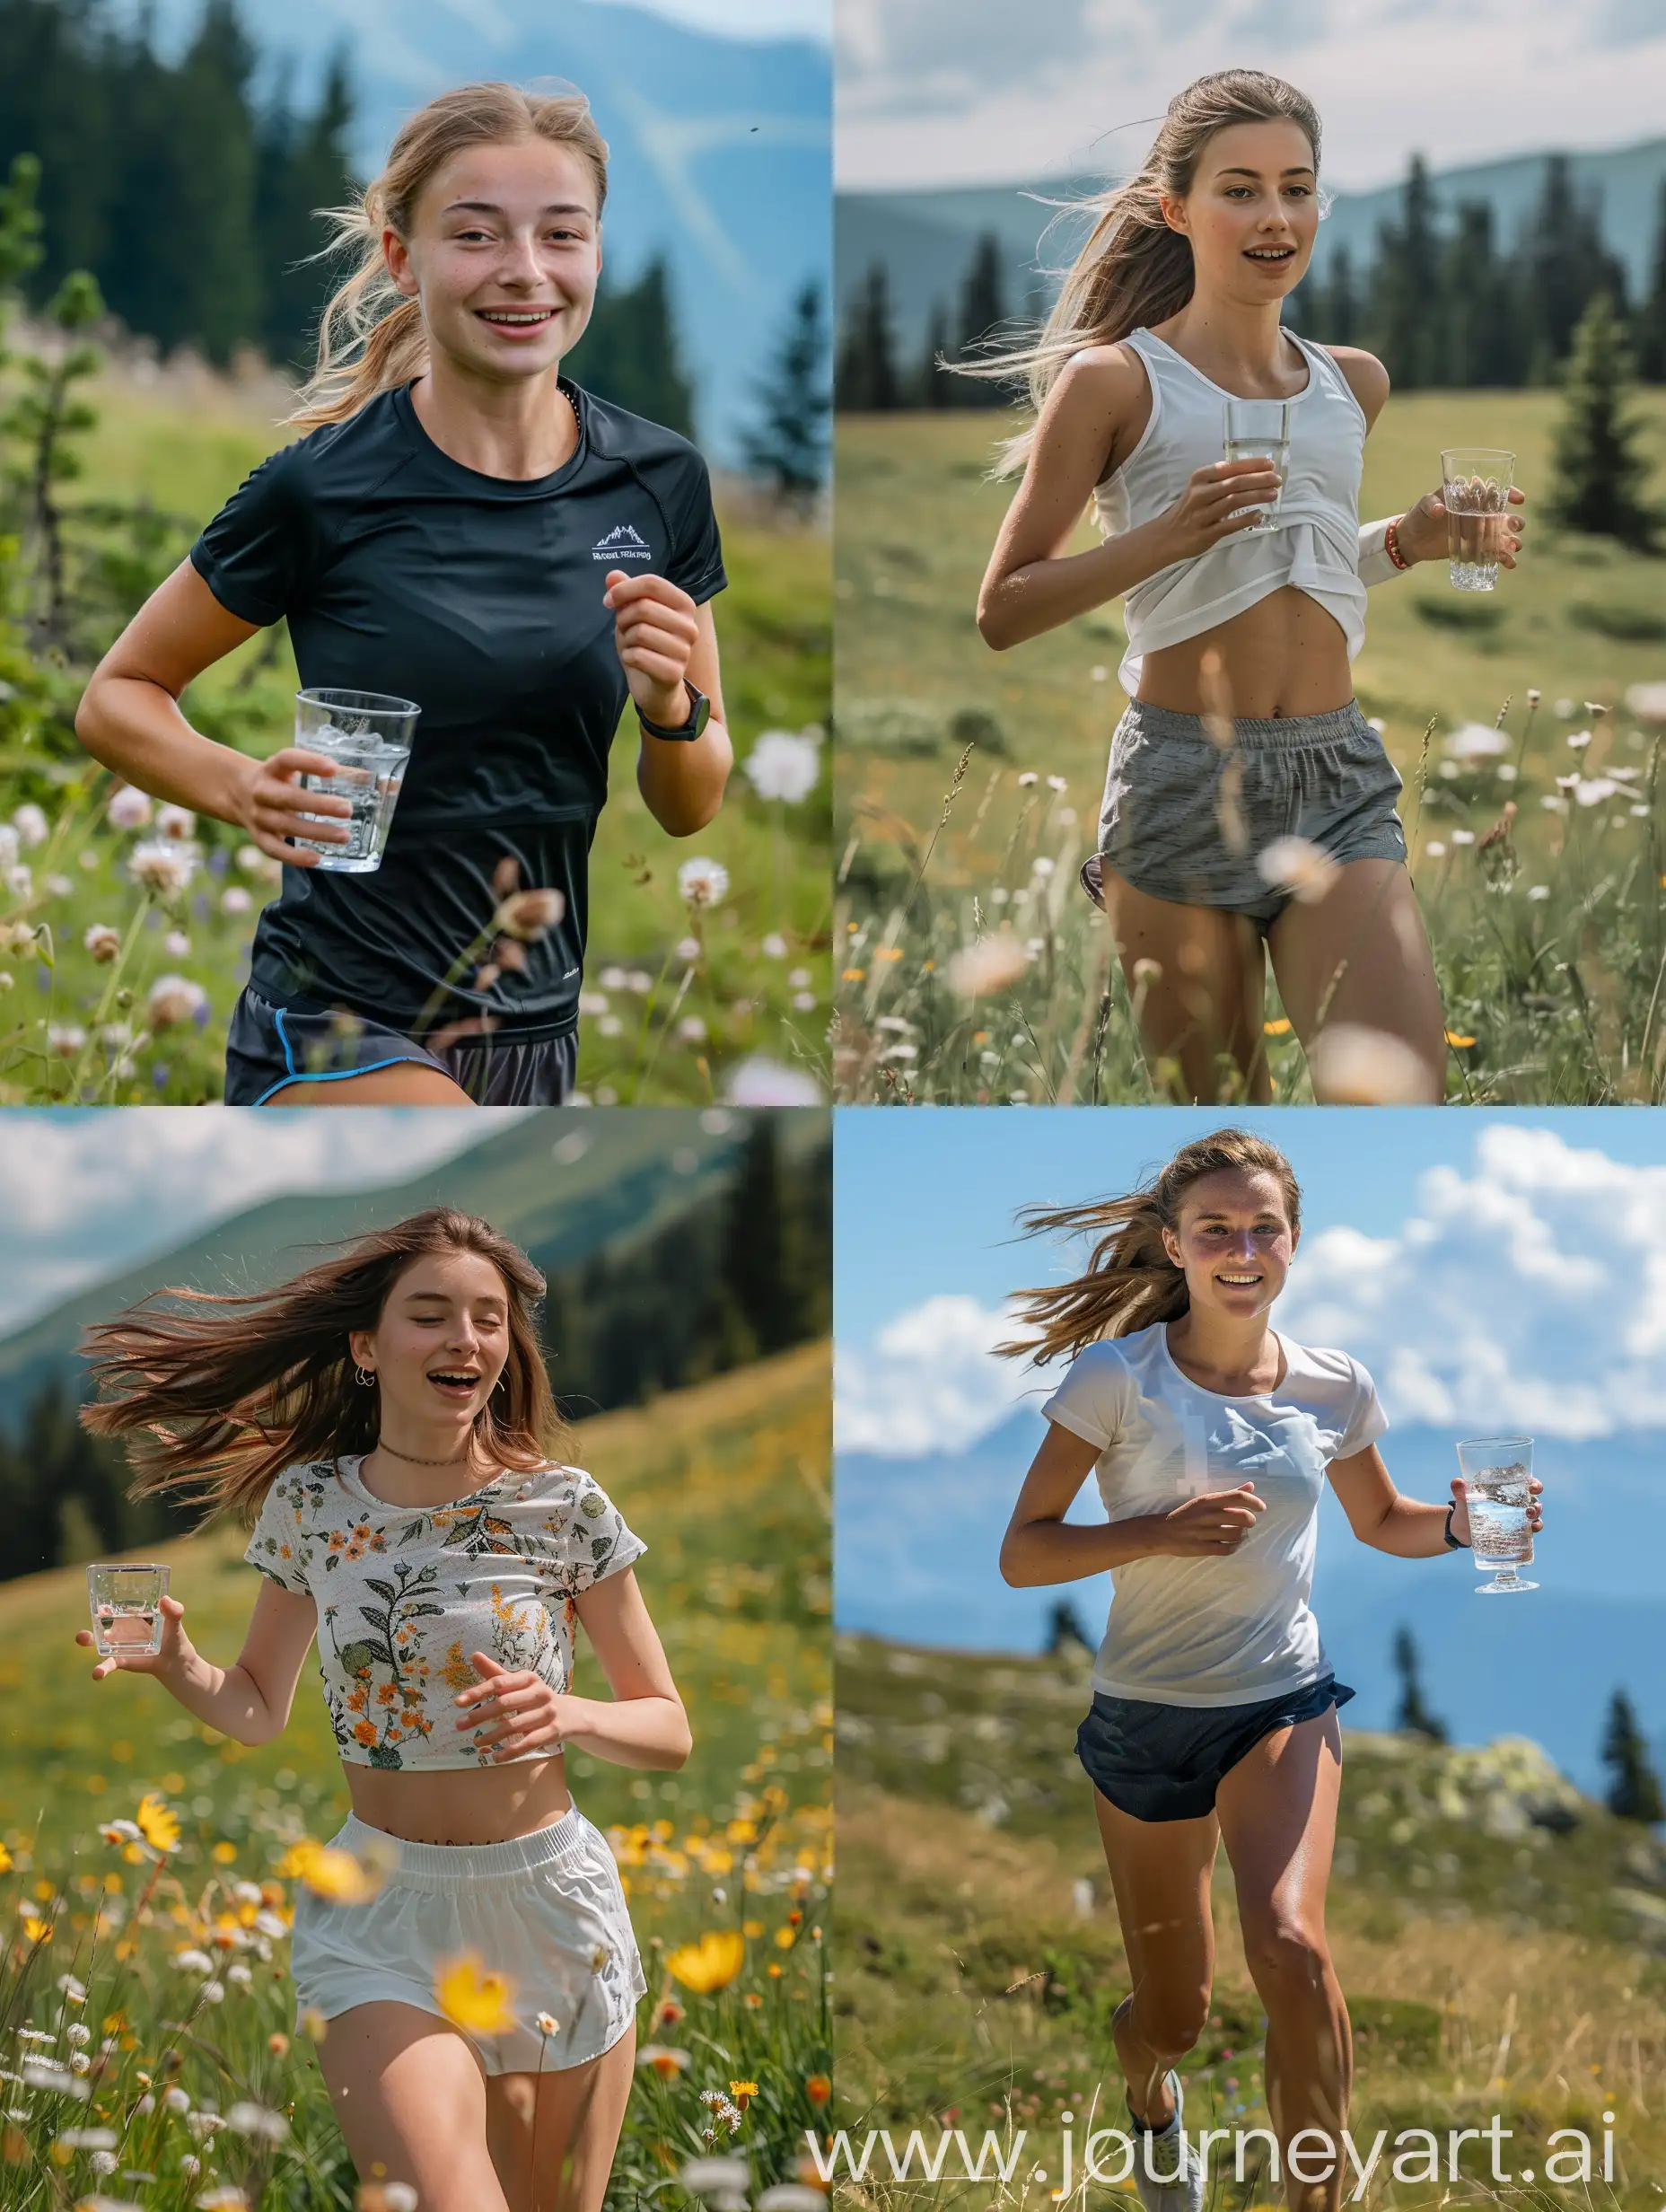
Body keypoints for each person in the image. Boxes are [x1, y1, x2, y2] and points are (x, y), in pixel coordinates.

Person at [75, 82, 733, 1107]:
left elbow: (689, 806)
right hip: (335, 1017)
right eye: (475, 235)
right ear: (400, 258)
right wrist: (239, 788)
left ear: (594, 253)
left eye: (562, 235)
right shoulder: (321, 486)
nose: (524, 272)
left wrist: (668, 710)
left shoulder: (660, 482)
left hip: (532, 1032)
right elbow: (117, 694)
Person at [74, 1208, 688, 2212]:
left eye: (489, 1319)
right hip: (382, 1916)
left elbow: (667, 1725)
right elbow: (259, 1703)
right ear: (366, 1346)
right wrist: (181, 1662)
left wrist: (568, 1715)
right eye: (433, 1314)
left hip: (548, 1906)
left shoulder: (564, 1505)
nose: (467, 1339)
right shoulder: (313, 1506)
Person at [995, 1128, 1542, 2212]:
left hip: (1280, 1701)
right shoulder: (1116, 1377)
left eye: (1263, 1228)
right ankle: (1149, 2101)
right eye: (1215, 1229)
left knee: (1292, 1949)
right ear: (1174, 1244)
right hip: (1144, 1719)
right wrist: (1156, 1529)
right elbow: (1024, 1552)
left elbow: (1382, 1518)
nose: (1241, 1248)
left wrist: (1467, 1527)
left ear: (1294, 1242)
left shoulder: (1336, 1385)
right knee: (1173, 2018)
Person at [973, 71, 1527, 1106]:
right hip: (1179, 786)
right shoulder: (1115, 383)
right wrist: (1164, 533)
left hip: (1335, 777)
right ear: (1176, 210)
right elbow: (1003, 608)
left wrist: (1404, 541)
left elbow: (1291, 558)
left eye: (1296, 187)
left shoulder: (1349, 383)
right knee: (1225, 1112)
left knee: (1398, 1099)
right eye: (1239, 189)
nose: (1274, 216)